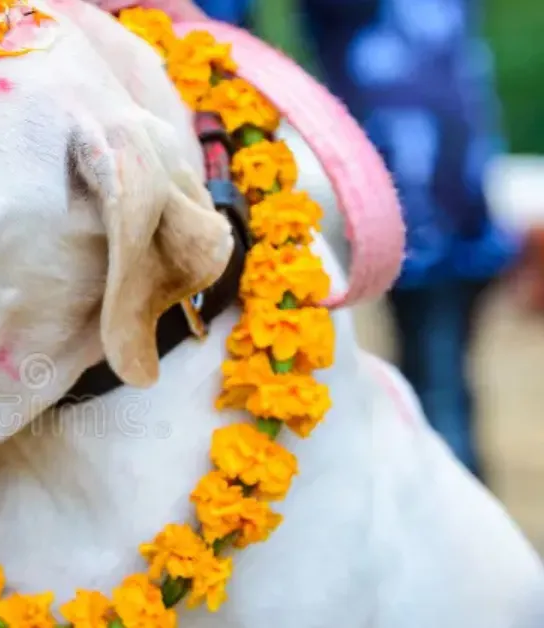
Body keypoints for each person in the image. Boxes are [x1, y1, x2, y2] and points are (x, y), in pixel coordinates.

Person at [193, 0, 519, 482]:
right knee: (437, 394)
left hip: (454, 208)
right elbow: (217, 35)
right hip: (406, 201)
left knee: (442, 397)